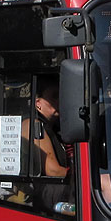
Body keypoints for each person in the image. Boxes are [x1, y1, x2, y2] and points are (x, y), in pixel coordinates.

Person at [21, 78, 71, 213]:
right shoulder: (34, 125)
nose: (59, 101)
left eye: (61, 95)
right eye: (54, 96)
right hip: (44, 191)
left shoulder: (55, 128)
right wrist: (82, 176)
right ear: (38, 103)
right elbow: (52, 171)